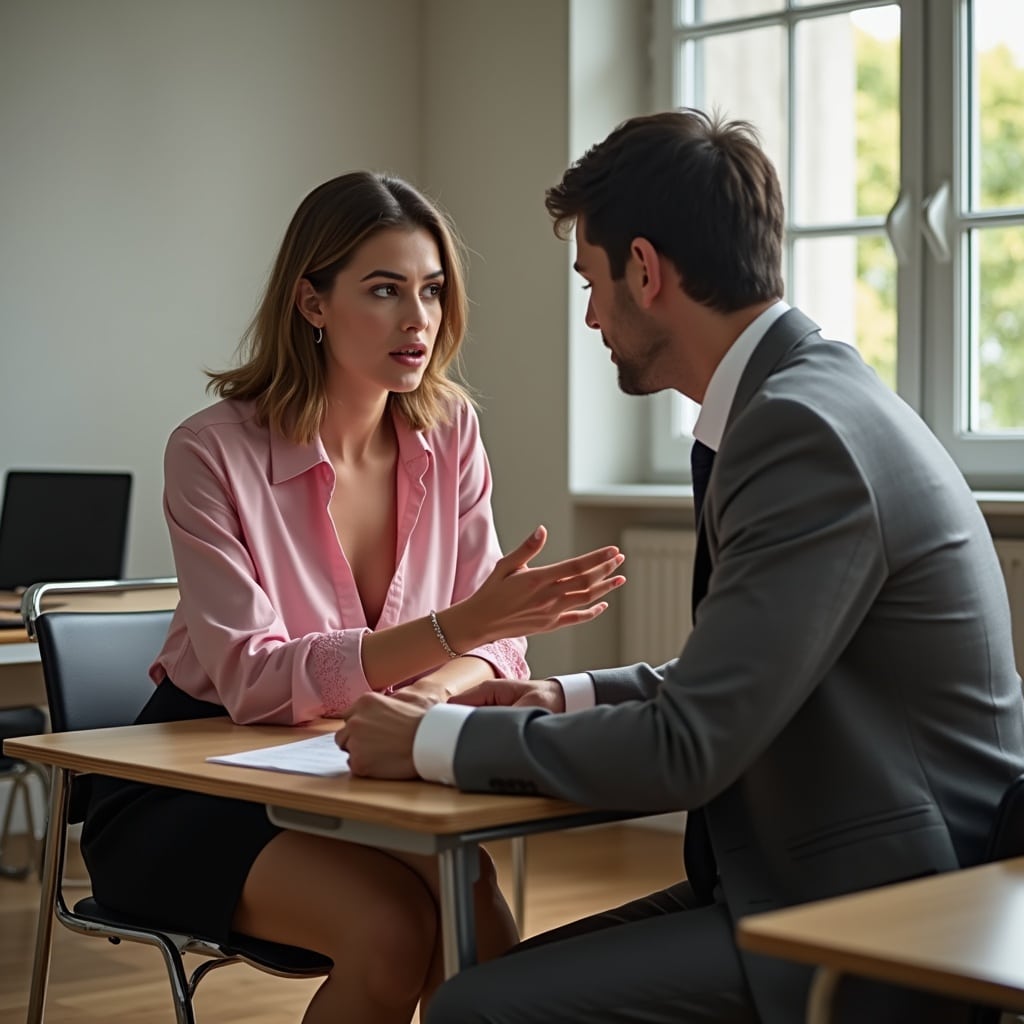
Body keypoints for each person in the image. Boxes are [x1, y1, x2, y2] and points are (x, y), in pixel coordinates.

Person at [334, 111, 1024, 1024]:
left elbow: (691, 746)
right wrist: (563, 696)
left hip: (885, 913)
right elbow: (740, 679)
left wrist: (427, 742)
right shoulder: (808, 398)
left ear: (647, 272)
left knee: (479, 1010)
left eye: (593, 280)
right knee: (477, 989)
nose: (590, 316)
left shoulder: (800, 432)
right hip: (800, 875)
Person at [79, 171, 627, 1024]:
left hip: (348, 765)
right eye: (384, 290)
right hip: (188, 790)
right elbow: (257, 680)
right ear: (312, 302)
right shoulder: (210, 452)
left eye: (433, 291)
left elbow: (498, 647)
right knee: (390, 932)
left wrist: (428, 694)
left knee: (471, 907)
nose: (419, 320)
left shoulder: (450, 434)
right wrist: (457, 630)